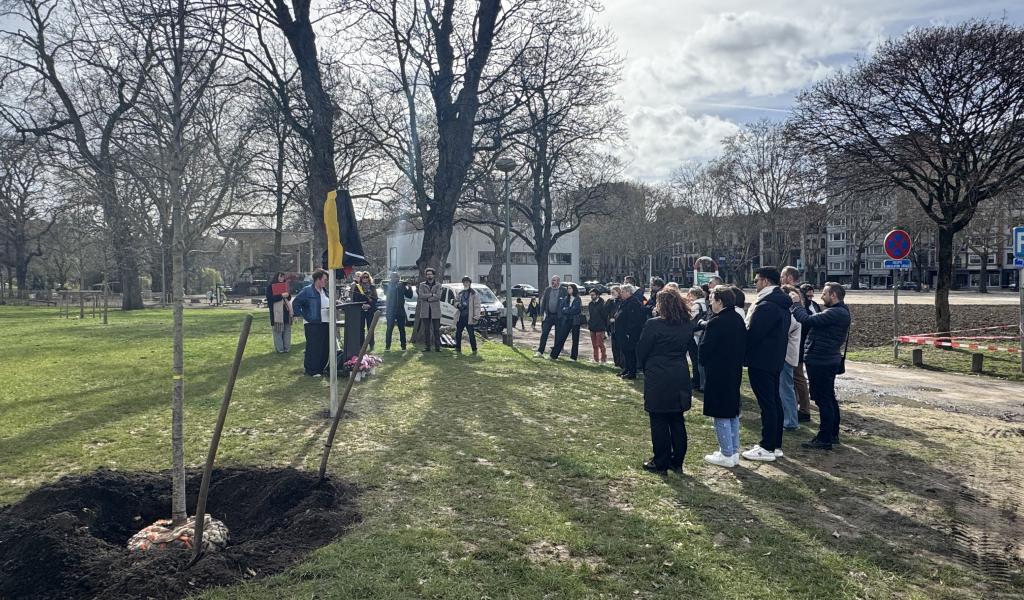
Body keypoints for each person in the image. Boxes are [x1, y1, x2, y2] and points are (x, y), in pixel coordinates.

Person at [635, 289, 694, 474]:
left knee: (659, 418)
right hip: (679, 372)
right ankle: (677, 461)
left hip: (658, 374)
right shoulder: (686, 324)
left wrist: (645, 365)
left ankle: (660, 461)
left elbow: (642, 348)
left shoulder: (654, 324)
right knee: (677, 418)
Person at [788, 282, 852, 450]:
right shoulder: (839, 311)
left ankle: (824, 438)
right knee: (829, 398)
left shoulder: (835, 312)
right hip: (825, 360)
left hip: (821, 361)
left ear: (834, 295)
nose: (821, 297)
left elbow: (807, 320)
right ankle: (832, 434)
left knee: (824, 400)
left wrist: (796, 304)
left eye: (824, 293)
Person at [740, 267, 792, 462]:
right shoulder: (781, 303)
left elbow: (754, 334)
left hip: (761, 360)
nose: (755, 284)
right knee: (774, 401)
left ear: (766, 281)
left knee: (767, 403)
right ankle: (775, 444)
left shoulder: (767, 305)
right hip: (774, 358)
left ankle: (767, 446)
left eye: (756, 280)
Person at [700, 286, 746, 468]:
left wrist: (704, 360)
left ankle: (726, 452)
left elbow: (705, 349)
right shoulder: (737, 318)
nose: (710, 303)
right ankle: (733, 451)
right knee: (732, 410)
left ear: (720, 301)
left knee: (720, 412)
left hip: (718, 371)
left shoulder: (716, 322)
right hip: (733, 370)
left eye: (712, 299)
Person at [291, 269, 331, 377]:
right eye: (325, 279)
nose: (326, 282)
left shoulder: (325, 291)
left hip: (326, 322)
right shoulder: (307, 290)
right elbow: (296, 303)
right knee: (314, 347)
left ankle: (321, 368)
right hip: (313, 323)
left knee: (324, 347)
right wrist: (303, 315)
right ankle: (312, 370)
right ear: (318, 279)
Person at [794, 283, 821, 423]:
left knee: (799, 377)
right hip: (804, 345)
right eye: (808, 295)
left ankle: (804, 410)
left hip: (801, 346)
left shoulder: (810, 306)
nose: (811, 298)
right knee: (799, 377)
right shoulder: (811, 306)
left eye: (812, 295)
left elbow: (805, 322)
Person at [779, 284, 803, 431]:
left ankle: (790, 421)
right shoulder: (793, 312)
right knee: (785, 388)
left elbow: (785, 330)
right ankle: (787, 418)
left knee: (786, 388)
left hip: (786, 355)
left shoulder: (793, 314)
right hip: (787, 354)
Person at [617, 283, 645, 379]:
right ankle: (627, 368)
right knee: (625, 351)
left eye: (623, 291)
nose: (621, 293)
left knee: (630, 352)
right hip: (623, 332)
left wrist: (629, 332)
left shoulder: (633, 303)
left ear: (629, 292)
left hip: (630, 333)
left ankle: (632, 372)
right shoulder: (625, 302)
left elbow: (634, 319)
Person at [534, 276, 567, 357]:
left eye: (554, 280)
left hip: (559, 316)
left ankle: (555, 354)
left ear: (558, 282)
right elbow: (543, 302)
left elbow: (566, 302)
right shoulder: (548, 290)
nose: (552, 282)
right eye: (552, 280)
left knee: (558, 335)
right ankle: (540, 351)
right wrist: (541, 314)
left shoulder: (563, 290)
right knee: (544, 333)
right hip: (549, 315)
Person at [550, 283, 582, 360]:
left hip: (575, 321)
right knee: (561, 337)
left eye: (570, 288)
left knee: (575, 339)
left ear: (574, 289)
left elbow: (576, 310)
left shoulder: (577, 299)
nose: (568, 290)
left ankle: (573, 357)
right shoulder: (565, 298)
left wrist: (567, 310)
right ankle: (553, 355)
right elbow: (562, 309)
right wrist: (568, 310)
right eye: (568, 288)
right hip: (566, 320)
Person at [686, 287, 708, 391]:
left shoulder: (696, 305)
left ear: (695, 295)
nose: (689, 297)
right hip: (700, 333)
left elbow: (689, 318)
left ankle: (696, 382)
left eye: (690, 295)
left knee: (695, 360)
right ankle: (699, 381)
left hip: (695, 334)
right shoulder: (705, 304)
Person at [416, 268, 443, 352]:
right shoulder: (422, 285)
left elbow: (438, 296)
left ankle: (437, 347)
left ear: (433, 275)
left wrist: (428, 299)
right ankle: (427, 347)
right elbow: (421, 295)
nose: (429, 276)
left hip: (435, 311)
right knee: (426, 330)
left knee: (436, 329)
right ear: (426, 276)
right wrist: (432, 294)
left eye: (430, 274)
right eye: (427, 274)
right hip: (425, 310)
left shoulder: (438, 285)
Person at [384, 272, 412, 351]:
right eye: (394, 277)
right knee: (389, 328)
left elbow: (409, 296)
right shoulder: (388, 285)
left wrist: (409, 287)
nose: (396, 278)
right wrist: (396, 286)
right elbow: (386, 292)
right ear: (391, 278)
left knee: (402, 329)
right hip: (390, 310)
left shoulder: (402, 286)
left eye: (397, 277)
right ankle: (387, 346)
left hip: (400, 310)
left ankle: (403, 346)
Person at [266, 272, 293, 353]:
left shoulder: (285, 285)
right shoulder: (270, 287)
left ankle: (287, 348)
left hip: (286, 311)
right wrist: (281, 295)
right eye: (280, 277)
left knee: (287, 330)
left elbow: (288, 298)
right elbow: (270, 299)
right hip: (276, 313)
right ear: (276, 277)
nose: (282, 278)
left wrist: (287, 295)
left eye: (283, 277)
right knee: (278, 331)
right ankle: (280, 349)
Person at [351, 271, 378, 351]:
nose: (365, 278)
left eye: (367, 277)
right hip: (361, 310)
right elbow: (355, 298)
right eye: (363, 277)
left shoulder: (372, 287)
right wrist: (362, 305)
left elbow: (375, 298)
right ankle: (361, 345)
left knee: (370, 328)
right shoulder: (357, 287)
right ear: (361, 278)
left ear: (369, 278)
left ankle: (371, 344)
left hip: (370, 309)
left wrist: (369, 305)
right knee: (361, 328)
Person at [454, 276, 480, 354]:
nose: (466, 284)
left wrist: (476, 316)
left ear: (470, 283)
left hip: (470, 317)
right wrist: (458, 305)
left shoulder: (474, 293)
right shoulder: (460, 293)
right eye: (464, 282)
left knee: (471, 334)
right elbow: (455, 301)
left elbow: (477, 306)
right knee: (458, 333)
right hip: (461, 316)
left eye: (467, 282)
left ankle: (474, 349)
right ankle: (458, 348)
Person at [587, 288, 609, 363]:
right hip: (592, 327)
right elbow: (590, 315)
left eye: (593, 295)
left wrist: (605, 328)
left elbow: (605, 316)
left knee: (600, 344)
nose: (591, 296)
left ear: (597, 295)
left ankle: (603, 359)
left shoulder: (602, 304)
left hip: (600, 327)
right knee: (594, 345)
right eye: (591, 295)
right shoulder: (590, 304)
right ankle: (596, 359)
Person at [607, 286, 623, 367]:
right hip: (612, 326)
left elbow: (621, 312)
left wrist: (615, 319)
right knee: (614, 346)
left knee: (619, 345)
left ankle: (621, 362)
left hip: (619, 326)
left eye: (613, 292)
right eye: (611, 292)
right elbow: (605, 310)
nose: (612, 293)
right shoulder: (611, 301)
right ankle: (616, 362)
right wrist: (609, 301)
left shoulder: (621, 301)